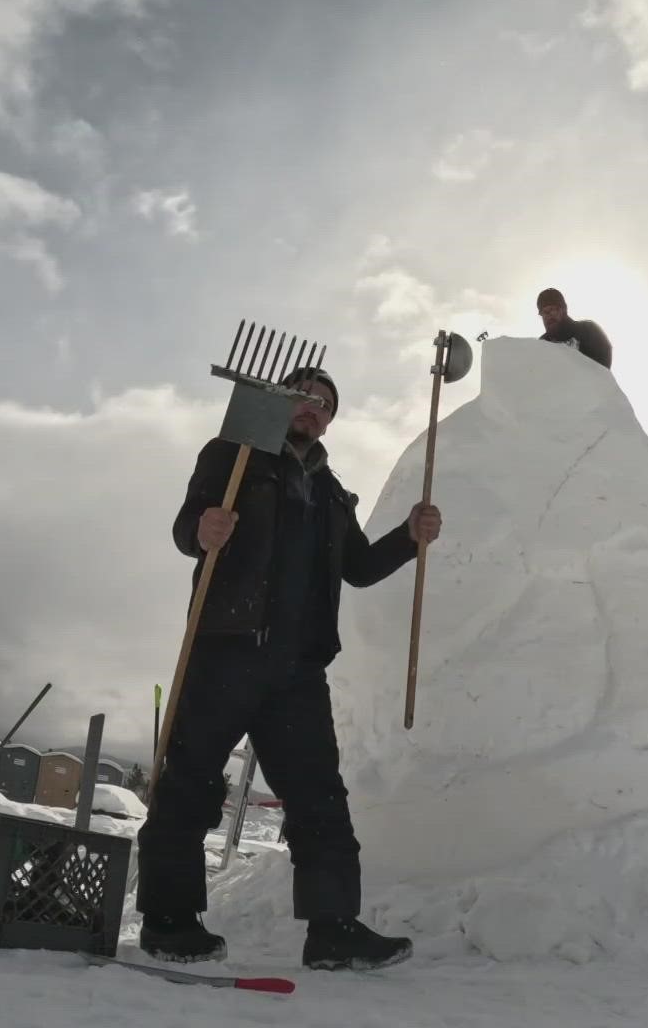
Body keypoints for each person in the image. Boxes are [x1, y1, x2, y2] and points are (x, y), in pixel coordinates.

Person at [137, 364, 442, 972]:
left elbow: (357, 567)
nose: (313, 407)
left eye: (324, 403)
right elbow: (184, 527)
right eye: (304, 396)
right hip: (226, 645)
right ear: (280, 402)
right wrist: (202, 529)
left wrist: (409, 537)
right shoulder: (233, 456)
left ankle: (332, 930)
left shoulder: (332, 494)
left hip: (299, 668)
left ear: (330, 419)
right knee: (190, 782)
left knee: (319, 798)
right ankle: (169, 920)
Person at [535, 287, 612, 368]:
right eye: (544, 312)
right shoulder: (542, 343)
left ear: (563, 309)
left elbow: (602, 367)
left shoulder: (588, 330)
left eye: (552, 309)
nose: (548, 315)